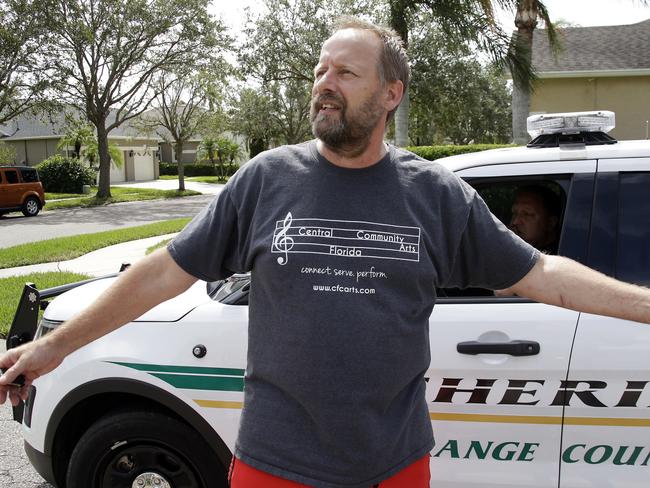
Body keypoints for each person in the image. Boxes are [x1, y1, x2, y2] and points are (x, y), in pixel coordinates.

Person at [1, 17, 650, 488]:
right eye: (320, 69)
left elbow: (544, 276)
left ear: (390, 94)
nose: (324, 82)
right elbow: (164, 273)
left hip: (393, 467)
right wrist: (55, 345)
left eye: (345, 72)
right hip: (274, 465)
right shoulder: (265, 179)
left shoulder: (435, 196)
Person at [509, 185, 561, 254]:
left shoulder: (556, 260)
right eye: (514, 213)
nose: (515, 222)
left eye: (527, 214)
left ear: (550, 223)